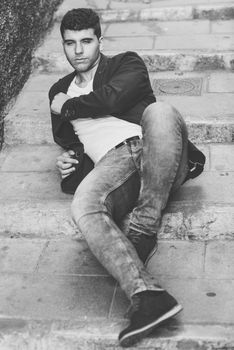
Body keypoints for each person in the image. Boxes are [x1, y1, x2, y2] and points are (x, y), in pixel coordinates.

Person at [49, 8, 205, 347]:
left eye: (86, 41)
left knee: (160, 111)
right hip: (113, 164)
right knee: (83, 204)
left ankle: (143, 228)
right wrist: (69, 163)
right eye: (70, 43)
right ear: (63, 45)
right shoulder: (58, 90)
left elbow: (112, 98)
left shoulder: (126, 64)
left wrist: (69, 106)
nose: (78, 51)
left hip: (157, 151)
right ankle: (148, 296)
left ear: (99, 41)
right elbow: (73, 143)